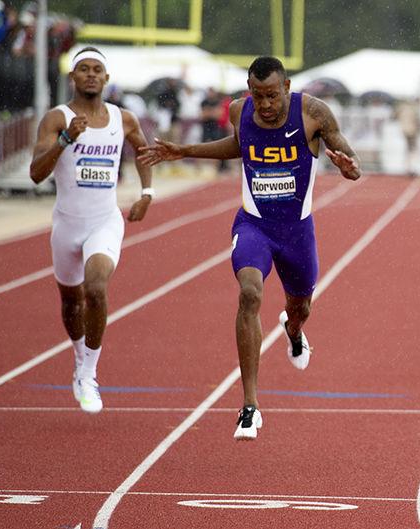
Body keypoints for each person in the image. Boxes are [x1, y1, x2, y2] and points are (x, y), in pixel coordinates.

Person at [137, 56, 361, 441]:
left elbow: (347, 157)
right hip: (254, 224)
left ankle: (293, 331)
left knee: (301, 307)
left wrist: (348, 166)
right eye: (258, 96)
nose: (266, 104)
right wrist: (185, 150)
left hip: (297, 232)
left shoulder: (313, 112)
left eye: (272, 95)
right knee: (249, 294)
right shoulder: (240, 110)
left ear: (287, 88)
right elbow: (238, 146)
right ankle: (250, 405)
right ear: (248, 90)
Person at [29, 47, 154, 413]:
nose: (90, 75)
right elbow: (36, 174)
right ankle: (78, 353)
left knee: (96, 290)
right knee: (71, 302)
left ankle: (88, 373)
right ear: (72, 77)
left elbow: (143, 151)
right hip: (67, 225)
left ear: (106, 78)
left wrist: (147, 192)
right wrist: (66, 139)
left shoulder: (123, 118)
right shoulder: (57, 118)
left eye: (97, 69)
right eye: (83, 69)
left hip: (104, 221)